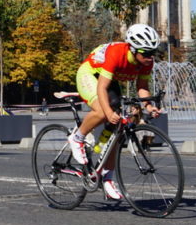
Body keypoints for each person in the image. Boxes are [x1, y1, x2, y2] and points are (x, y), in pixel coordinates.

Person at [68, 24, 161, 200]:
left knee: (118, 132)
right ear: (133, 49)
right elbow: (102, 88)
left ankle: (107, 179)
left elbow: (142, 87)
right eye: (146, 53)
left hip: (110, 81)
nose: (151, 57)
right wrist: (108, 111)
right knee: (104, 112)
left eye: (153, 52)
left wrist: (149, 107)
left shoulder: (147, 62)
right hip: (90, 73)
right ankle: (77, 137)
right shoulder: (117, 53)